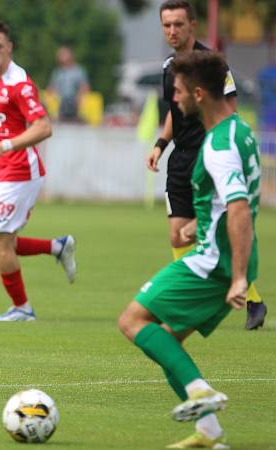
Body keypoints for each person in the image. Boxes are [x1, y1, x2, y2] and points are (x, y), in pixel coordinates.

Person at [119, 50, 261, 450]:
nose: (173, 100)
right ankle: (210, 435)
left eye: (178, 92)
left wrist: (235, 277)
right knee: (167, 342)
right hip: (231, 254)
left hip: (217, 262)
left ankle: (200, 391)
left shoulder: (217, 146)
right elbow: (237, 203)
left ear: (198, 94)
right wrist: (198, 225)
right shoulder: (240, 131)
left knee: (132, 320)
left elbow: (238, 209)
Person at [146, 0, 266, 330]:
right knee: (177, 236)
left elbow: (230, 111)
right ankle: (192, 297)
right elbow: (175, 110)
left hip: (210, 159)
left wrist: (227, 150)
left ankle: (250, 298)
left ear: (192, 25)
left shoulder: (213, 66)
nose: (172, 31)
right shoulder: (169, 67)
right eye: (166, 25)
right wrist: (160, 144)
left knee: (213, 233)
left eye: (178, 25)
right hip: (181, 159)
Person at [0, 21, 76, 322]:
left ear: (9, 48)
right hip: (4, 169)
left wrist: (4, 148)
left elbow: (44, 127)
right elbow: (2, 124)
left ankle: (23, 308)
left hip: (22, 172)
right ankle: (58, 247)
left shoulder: (19, 83)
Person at [46, 46, 90, 121]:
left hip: (74, 102)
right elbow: (51, 88)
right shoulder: (57, 72)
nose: (59, 56)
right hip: (60, 103)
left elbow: (84, 88)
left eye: (63, 54)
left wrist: (80, 99)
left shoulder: (78, 71)